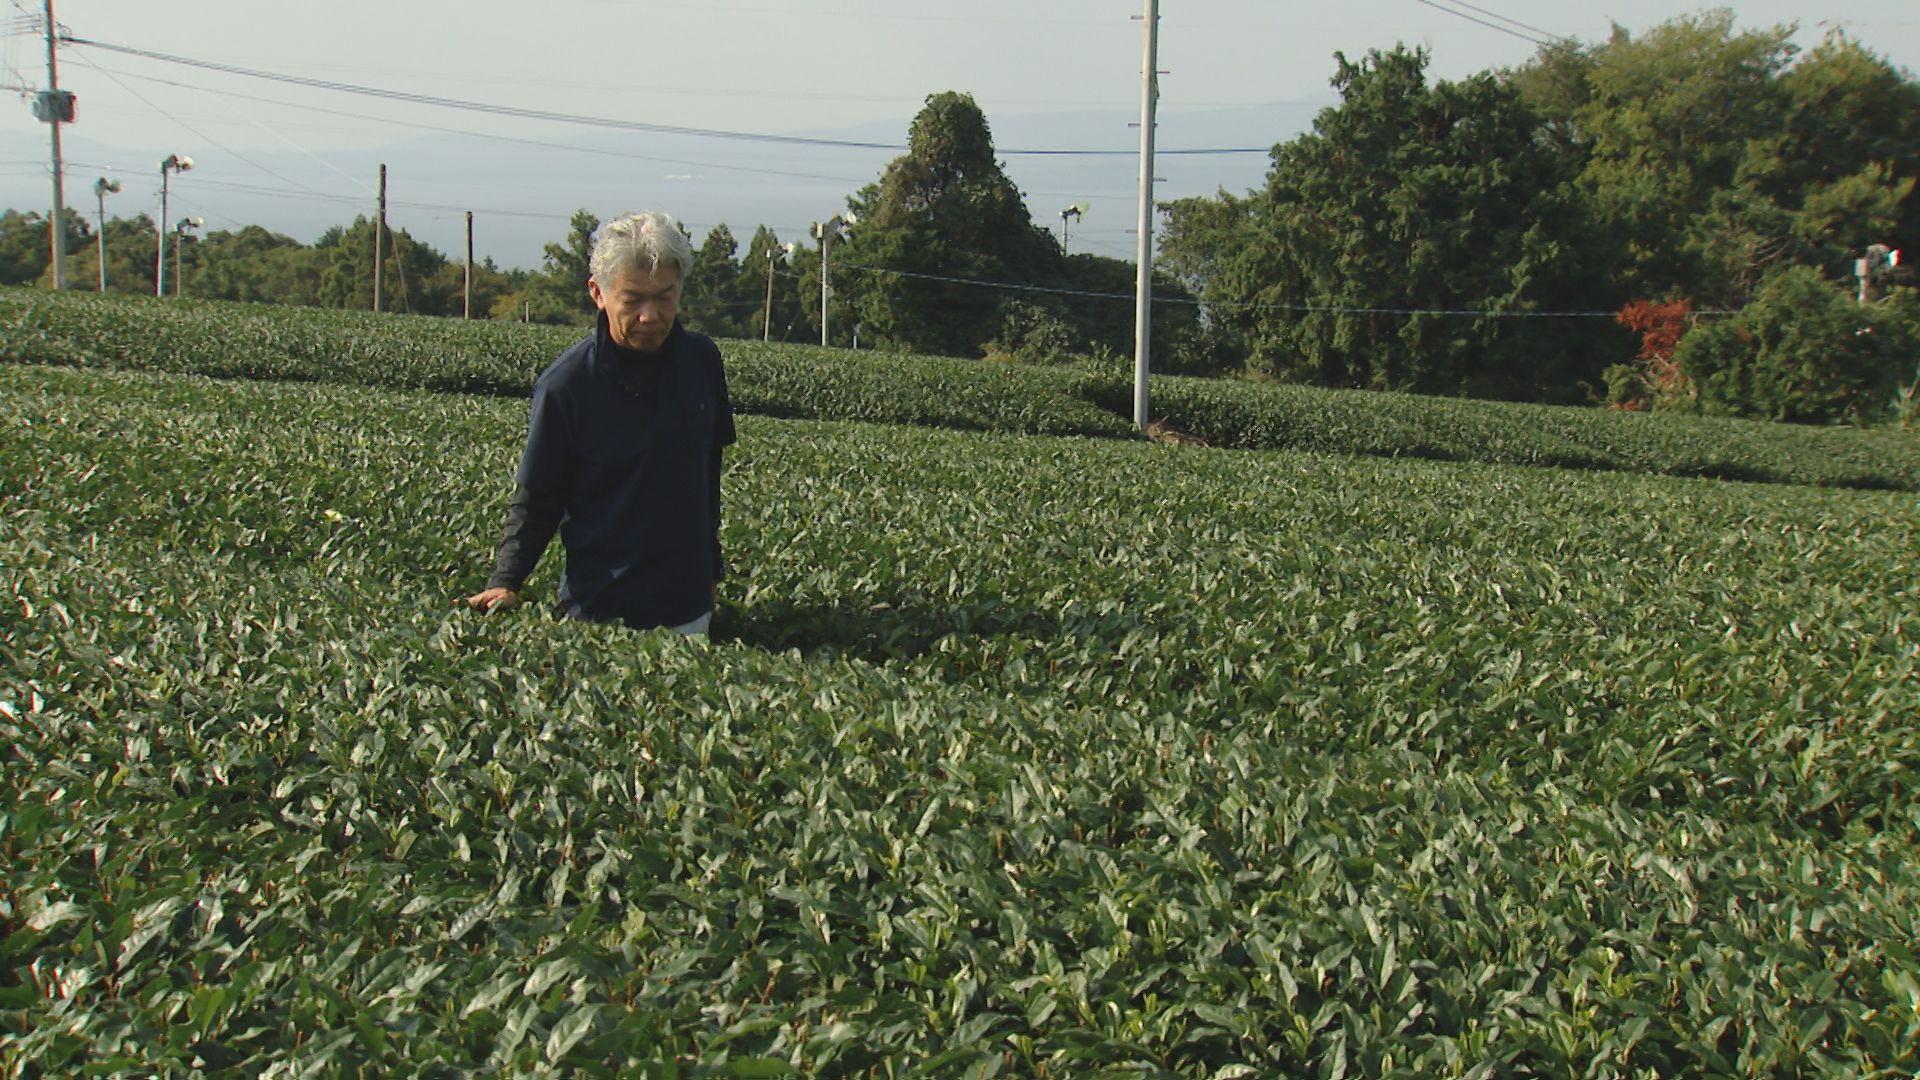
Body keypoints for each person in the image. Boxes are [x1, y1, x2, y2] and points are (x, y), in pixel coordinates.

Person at [462, 211, 735, 636]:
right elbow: (539, 496)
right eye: (632, 299)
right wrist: (506, 581)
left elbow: (706, 474)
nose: (649, 315)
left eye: (664, 297)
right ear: (598, 293)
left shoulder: (702, 362)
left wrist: (711, 568)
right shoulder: (568, 384)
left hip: (688, 609)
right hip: (599, 613)